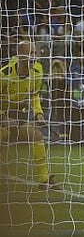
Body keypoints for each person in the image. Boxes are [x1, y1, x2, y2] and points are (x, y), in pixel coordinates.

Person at [0, 40, 55, 188]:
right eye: (31, 53)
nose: (34, 56)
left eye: (35, 53)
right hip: (3, 115)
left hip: (19, 116)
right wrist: (3, 118)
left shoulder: (37, 70)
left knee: (36, 135)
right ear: (20, 55)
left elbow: (34, 95)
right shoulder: (4, 74)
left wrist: (38, 113)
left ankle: (44, 179)